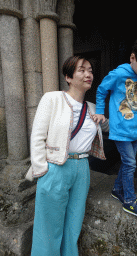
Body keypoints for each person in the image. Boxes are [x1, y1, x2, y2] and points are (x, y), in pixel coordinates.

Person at [26, 56, 109, 256]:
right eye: (82, 70)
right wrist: (42, 169)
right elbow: (37, 136)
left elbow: (106, 128)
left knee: (73, 225)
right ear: (68, 77)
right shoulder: (52, 98)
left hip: (82, 169)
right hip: (55, 167)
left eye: (90, 70)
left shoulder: (92, 107)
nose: (88, 74)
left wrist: (103, 119)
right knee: (48, 228)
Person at [93, 35, 137, 218]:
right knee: (131, 163)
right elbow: (101, 90)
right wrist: (100, 111)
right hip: (121, 129)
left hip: (135, 127)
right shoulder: (119, 73)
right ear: (132, 58)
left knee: (128, 162)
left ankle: (117, 189)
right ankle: (130, 201)